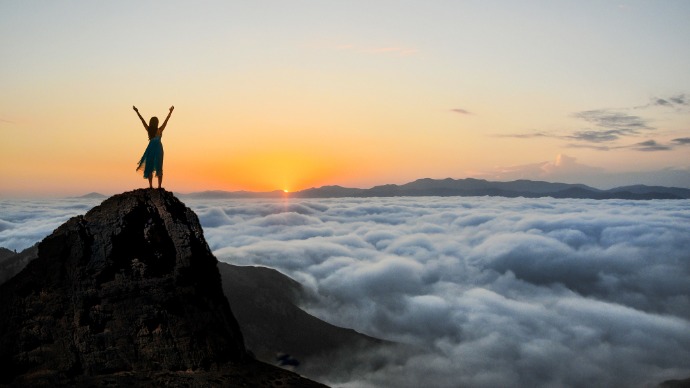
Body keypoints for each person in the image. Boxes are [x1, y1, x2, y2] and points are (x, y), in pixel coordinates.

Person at [134, 105, 174, 189]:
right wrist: (170, 112)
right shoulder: (160, 130)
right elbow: (166, 121)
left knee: (149, 166)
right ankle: (159, 186)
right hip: (159, 148)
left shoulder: (149, 130)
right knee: (159, 166)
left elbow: (142, 120)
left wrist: (137, 111)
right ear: (157, 123)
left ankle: (151, 186)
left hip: (150, 148)